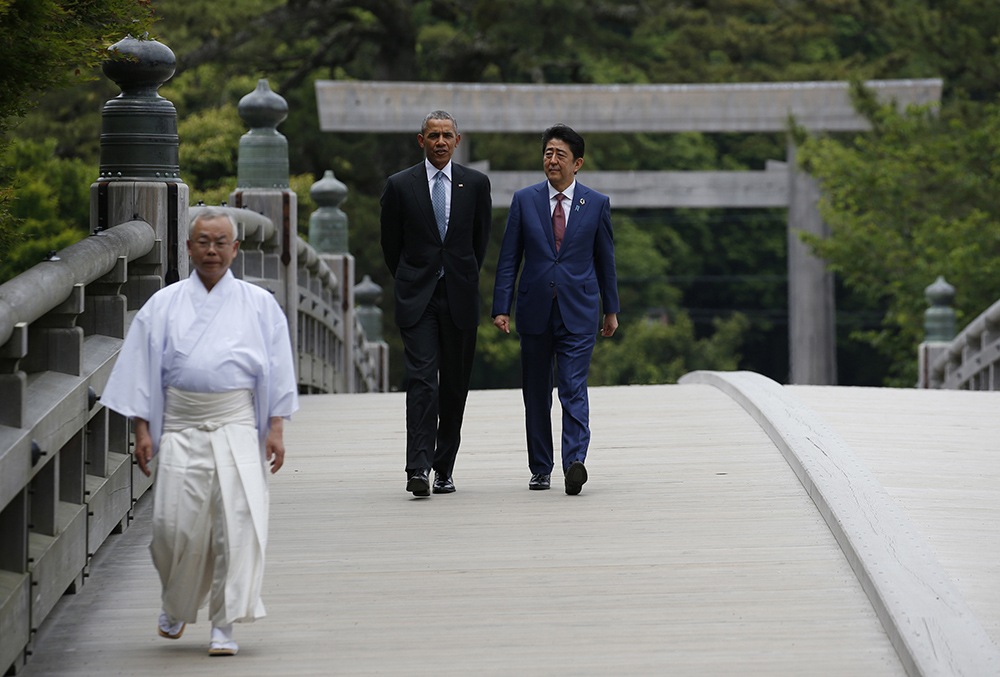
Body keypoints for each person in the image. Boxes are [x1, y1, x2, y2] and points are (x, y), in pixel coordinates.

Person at [100, 207, 298, 656]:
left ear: (235, 248)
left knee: (238, 521)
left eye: (221, 242)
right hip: (182, 422)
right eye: (203, 242)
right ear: (189, 247)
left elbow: (277, 369)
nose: (212, 250)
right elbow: (140, 368)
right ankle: (177, 600)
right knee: (173, 527)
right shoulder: (163, 305)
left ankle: (224, 624)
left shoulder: (259, 304)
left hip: (237, 421)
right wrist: (142, 430)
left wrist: (276, 428)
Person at [492, 124, 619, 495]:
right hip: (534, 309)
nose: (552, 160)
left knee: (573, 388)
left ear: (577, 163)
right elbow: (509, 259)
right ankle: (540, 468)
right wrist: (502, 306)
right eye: (547, 153)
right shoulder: (524, 200)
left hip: (579, 310)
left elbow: (605, 260)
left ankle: (574, 461)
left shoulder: (595, 204)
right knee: (535, 392)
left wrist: (610, 310)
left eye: (560, 154)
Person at [380, 110, 492, 497]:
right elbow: (390, 245)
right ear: (421, 140)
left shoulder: (476, 184)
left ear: (457, 140)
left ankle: (444, 468)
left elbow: (479, 243)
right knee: (423, 382)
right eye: (433, 136)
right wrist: (414, 278)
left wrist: (457, 275)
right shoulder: (399, 185)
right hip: (418, 298)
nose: (440, 142)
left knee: (455, 387)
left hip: (459, 295)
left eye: (447, 135)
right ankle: (418, 468)